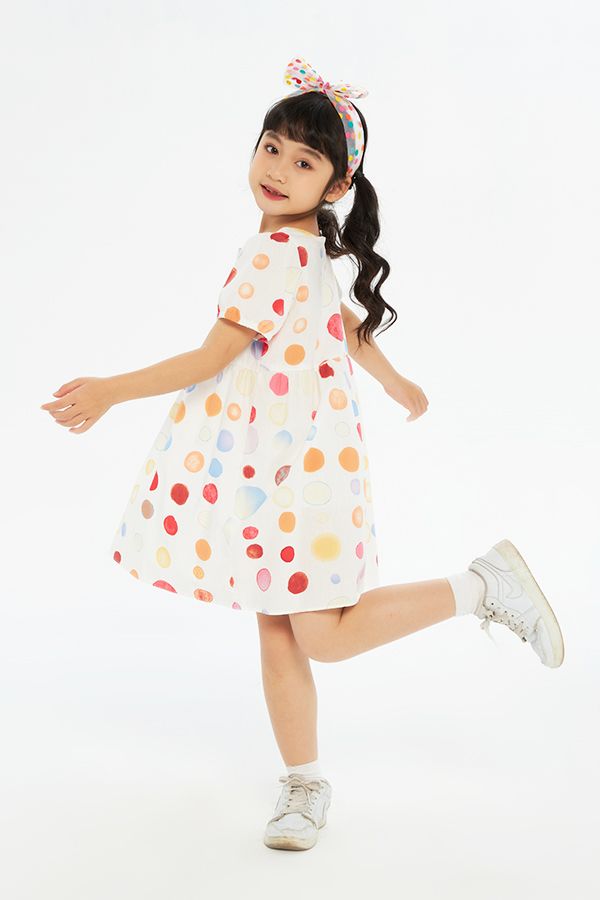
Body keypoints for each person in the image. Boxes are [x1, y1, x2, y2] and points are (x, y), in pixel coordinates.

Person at [40, 55, 565, 852]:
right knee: (279, 631)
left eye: (304, 161)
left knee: (320, 633)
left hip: (290, 470)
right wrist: (391, 379)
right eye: (271, 147)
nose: (278, 169)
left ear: (337, 184)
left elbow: (212, 357)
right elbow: (341, 323)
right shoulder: (300, 244)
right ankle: (303, 782)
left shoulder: (272, 253)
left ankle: (481, 586)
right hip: (286, 463)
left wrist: (111, 389)